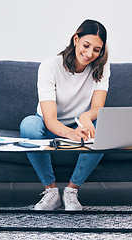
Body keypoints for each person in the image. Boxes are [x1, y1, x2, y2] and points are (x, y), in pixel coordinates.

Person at [20, 19, 110, 211]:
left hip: (80, 126)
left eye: (97, 49)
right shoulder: (49, 66)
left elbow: (97, 107)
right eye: (86, 46)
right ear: (76, 39)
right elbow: (50, 119)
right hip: (49, 126)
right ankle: (51, 192)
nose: (89, 54)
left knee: (106, 127)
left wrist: (86, 118)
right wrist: (71, 134)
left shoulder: (102, 67)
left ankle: (71, 191)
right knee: (28, 125)